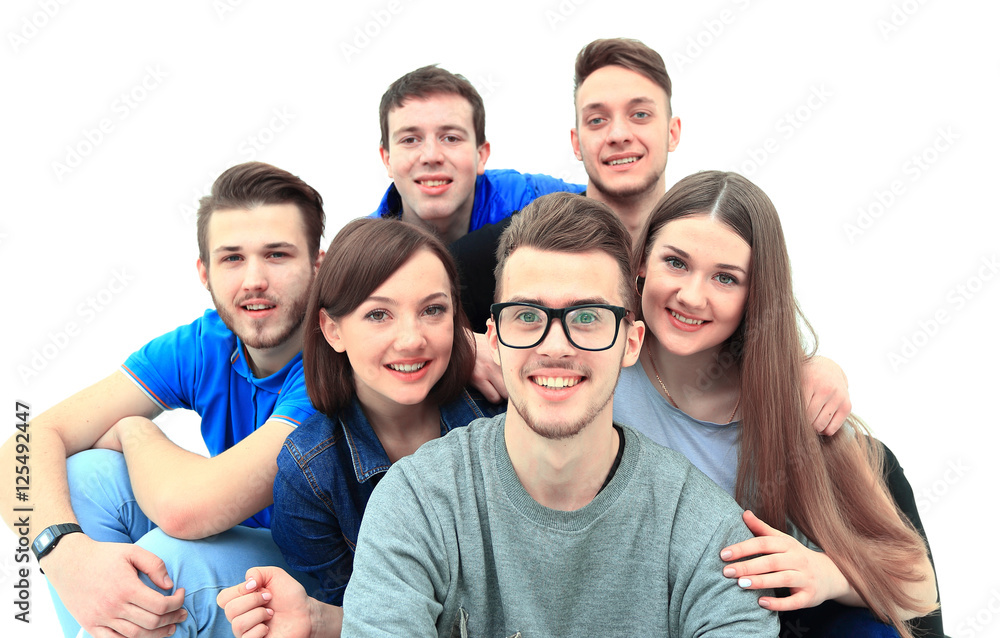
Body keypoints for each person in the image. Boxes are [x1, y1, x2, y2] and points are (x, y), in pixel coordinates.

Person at [331, 193, 774, 635]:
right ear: (494, 339)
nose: (555, 346)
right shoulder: (416, 503)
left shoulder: (708, 533)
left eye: (587, 317)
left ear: (631, 343)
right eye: (527, 315)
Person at [0, 162, 324, 637]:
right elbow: (23, 450)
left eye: (277, 255)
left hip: (320, 587)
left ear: (318, 265)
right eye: (232, 258)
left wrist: (134, 429)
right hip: (240, 547)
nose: (254, 279)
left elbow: (186, 511)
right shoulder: (205, 343)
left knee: (172, 563)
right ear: (204, 272)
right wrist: (65, 555)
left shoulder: (334, 361)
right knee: (84, 478)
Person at [615, 170, 939, 637]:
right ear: (643, 260)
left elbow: (920, 586)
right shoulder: (596, 360)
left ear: (756, 295)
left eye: (725, 278)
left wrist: (827, 573)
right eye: (676, 263)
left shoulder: (794, 401)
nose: (692, 296)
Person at [217, 217, 504, 636]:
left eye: (433, 310)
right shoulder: (309, 478)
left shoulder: (502, 417)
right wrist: (317, 619)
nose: (411, 339)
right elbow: (363, 621)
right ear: (332, 330)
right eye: (379, 314)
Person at [372, 64, 585, 244]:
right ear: (387, 159)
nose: (431, 156)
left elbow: (600, 198)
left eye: (451, 138)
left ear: (481, 155)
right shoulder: (363, 254)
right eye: (410, 140)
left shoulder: (527, 197)